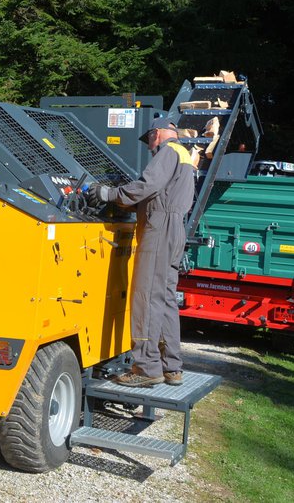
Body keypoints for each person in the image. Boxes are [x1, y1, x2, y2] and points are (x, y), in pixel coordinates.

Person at [87, 117, 195, 387]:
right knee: (166, 298)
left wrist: (109, 194)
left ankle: (146, 368)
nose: (148, 146)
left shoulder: (167, 152)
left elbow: (147, 185)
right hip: (174, 229)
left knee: (146, 297)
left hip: (159, 229)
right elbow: (157, 195)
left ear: (157, 133)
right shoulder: (184, 155)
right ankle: (172, 367)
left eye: (148, 139)